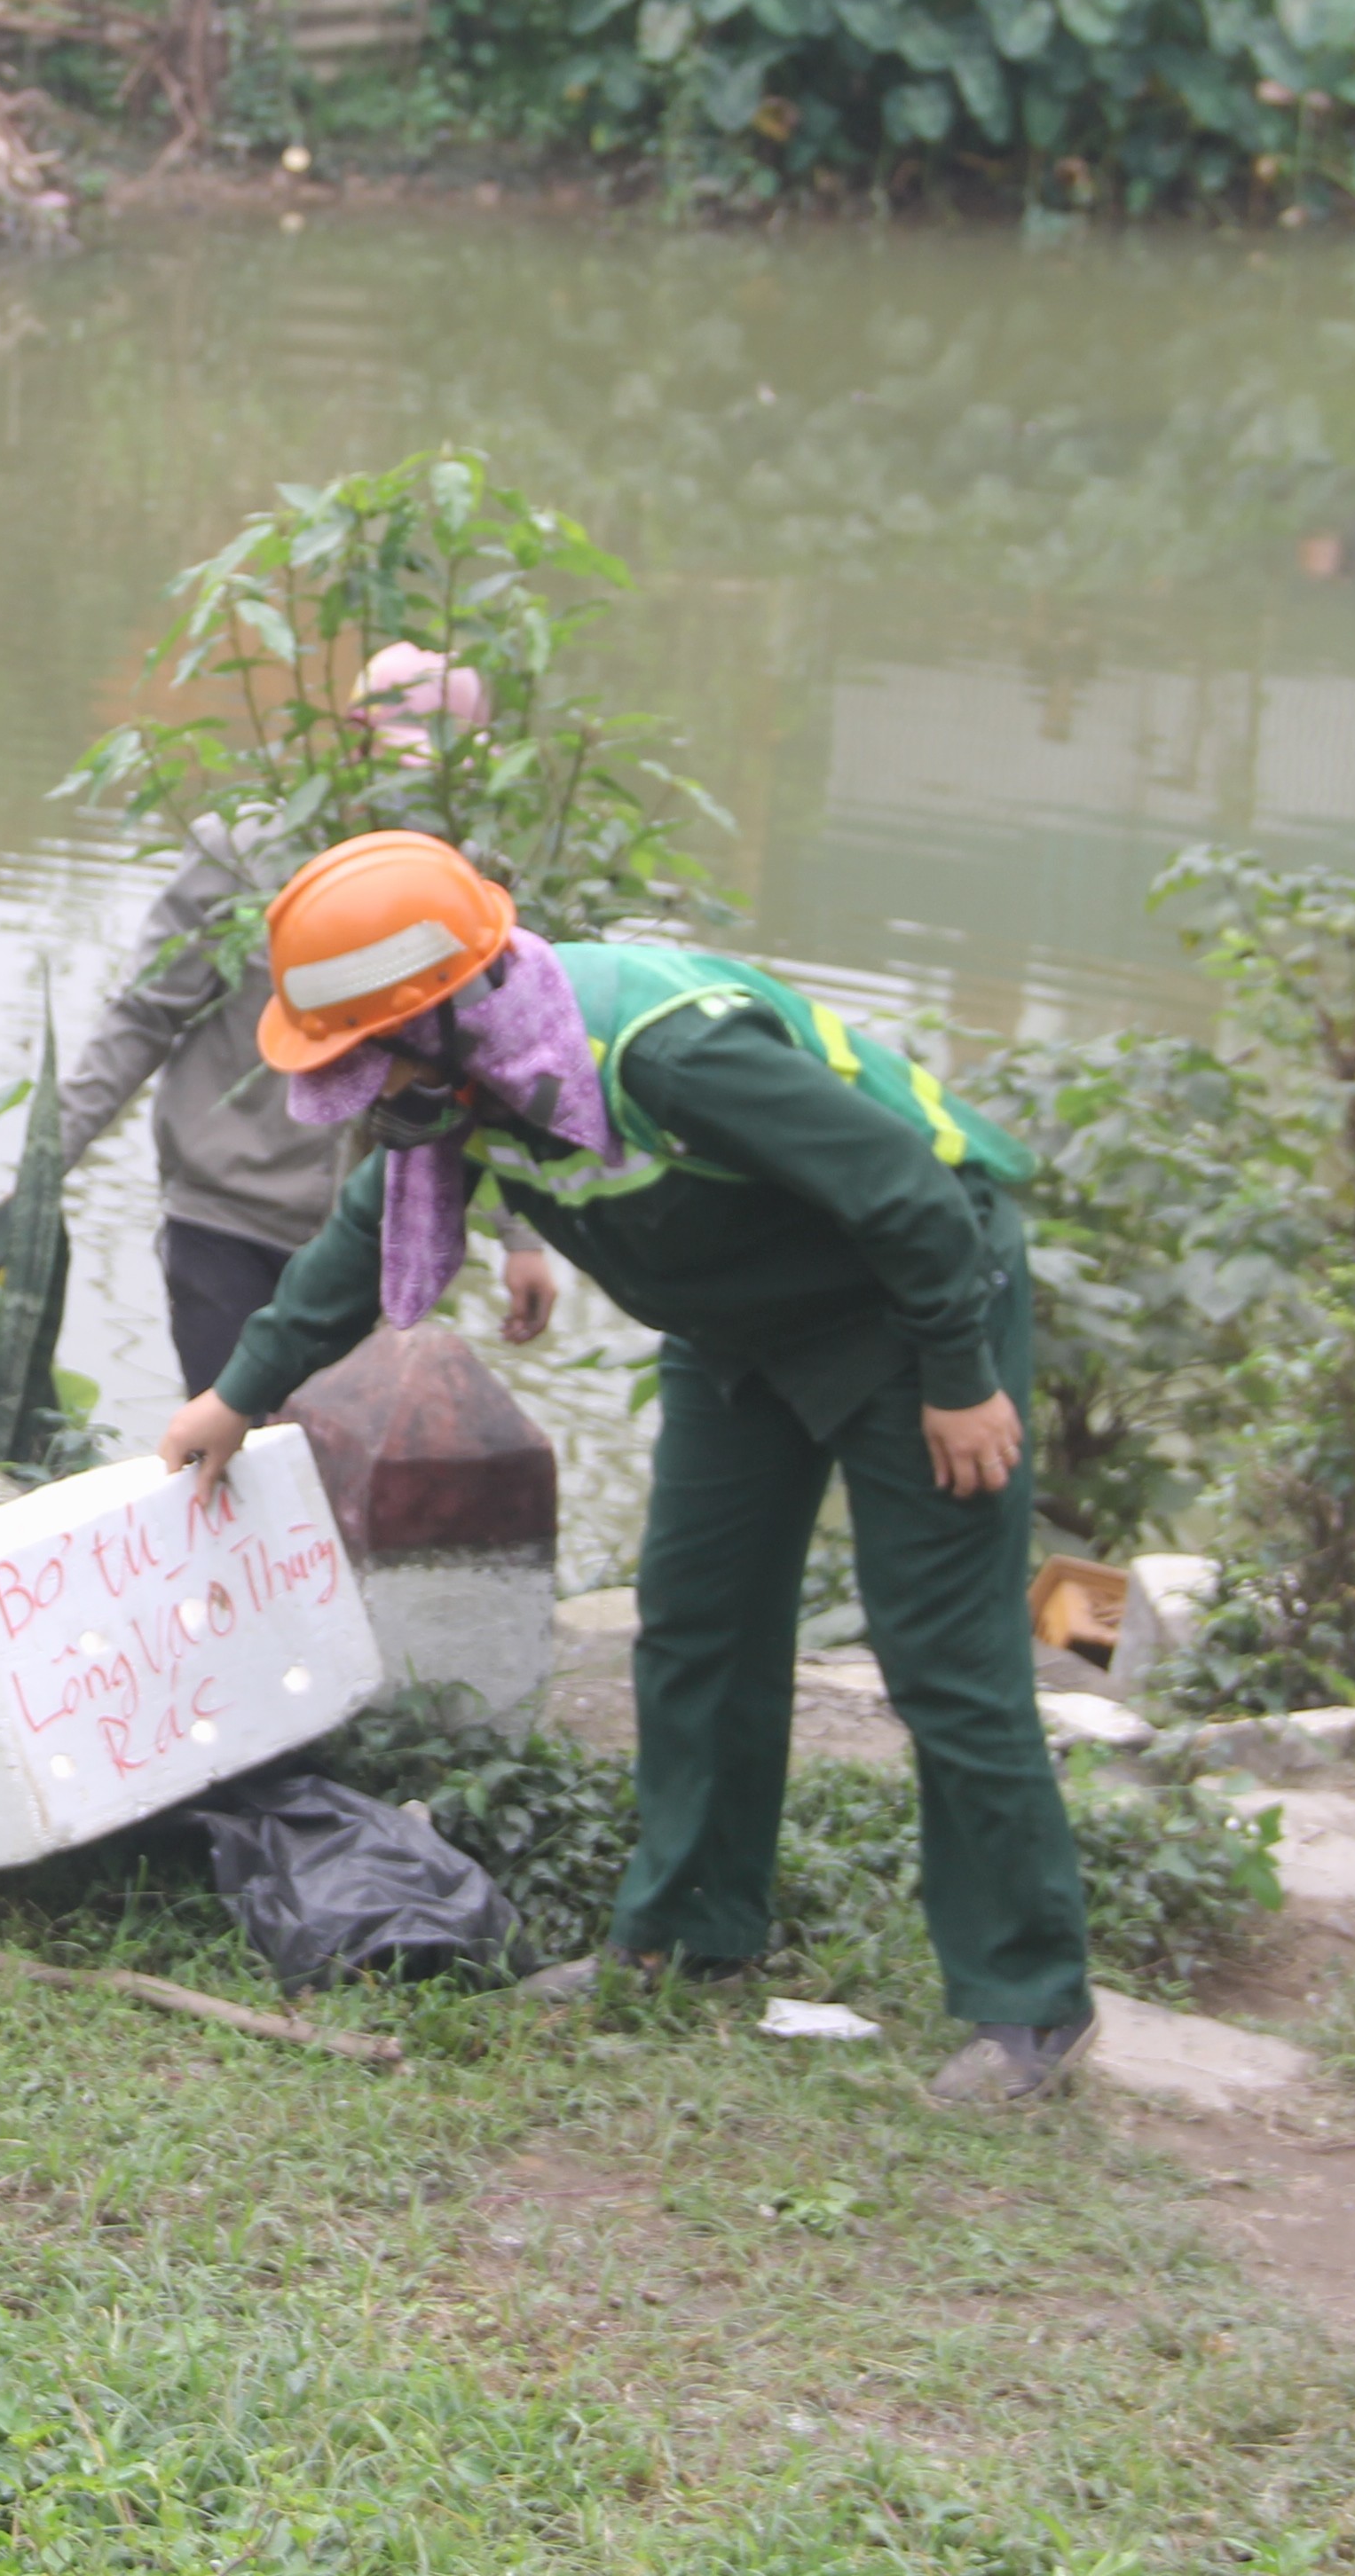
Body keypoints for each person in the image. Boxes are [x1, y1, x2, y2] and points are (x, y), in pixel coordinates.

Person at [150, 831, 1099, 2106]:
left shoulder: (667, 1055)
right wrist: (235, 1395)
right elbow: (365, 1231)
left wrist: (960, 1375)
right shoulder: (469, 1092)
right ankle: (689, 1937)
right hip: (738, 1334)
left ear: (443, 1014)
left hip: (904, 1314)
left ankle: (1030, 2003)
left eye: (368, 1054)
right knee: (697, 1625)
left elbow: (907, 1195)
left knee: (947, 1662)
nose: (361, 1090)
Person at [59, 646, 555, 1396]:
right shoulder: (246, 849)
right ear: (352, 742)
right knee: (235, 1450)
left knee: (342, 1475)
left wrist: (522, 1238)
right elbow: (143, 1017)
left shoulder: (463, 883)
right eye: (402, 763)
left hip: (372, 1237)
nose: (417, 787)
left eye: (441, 772)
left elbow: (493, 1064)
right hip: (227, 1215)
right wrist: (47, 1162)